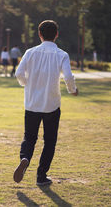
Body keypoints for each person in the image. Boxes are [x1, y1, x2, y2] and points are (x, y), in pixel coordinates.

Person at [13, 20, 78, 186]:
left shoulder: (30, 52)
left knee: (29, 137)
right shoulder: (62, 54)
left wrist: (27, 84)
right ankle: (41, 176)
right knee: (49, 141)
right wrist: (72, 90)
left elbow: (19, 73)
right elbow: (68, 77)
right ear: (56, 34)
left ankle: (25, 158)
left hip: (32, 103)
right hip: (52, 105)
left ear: (39, 34)